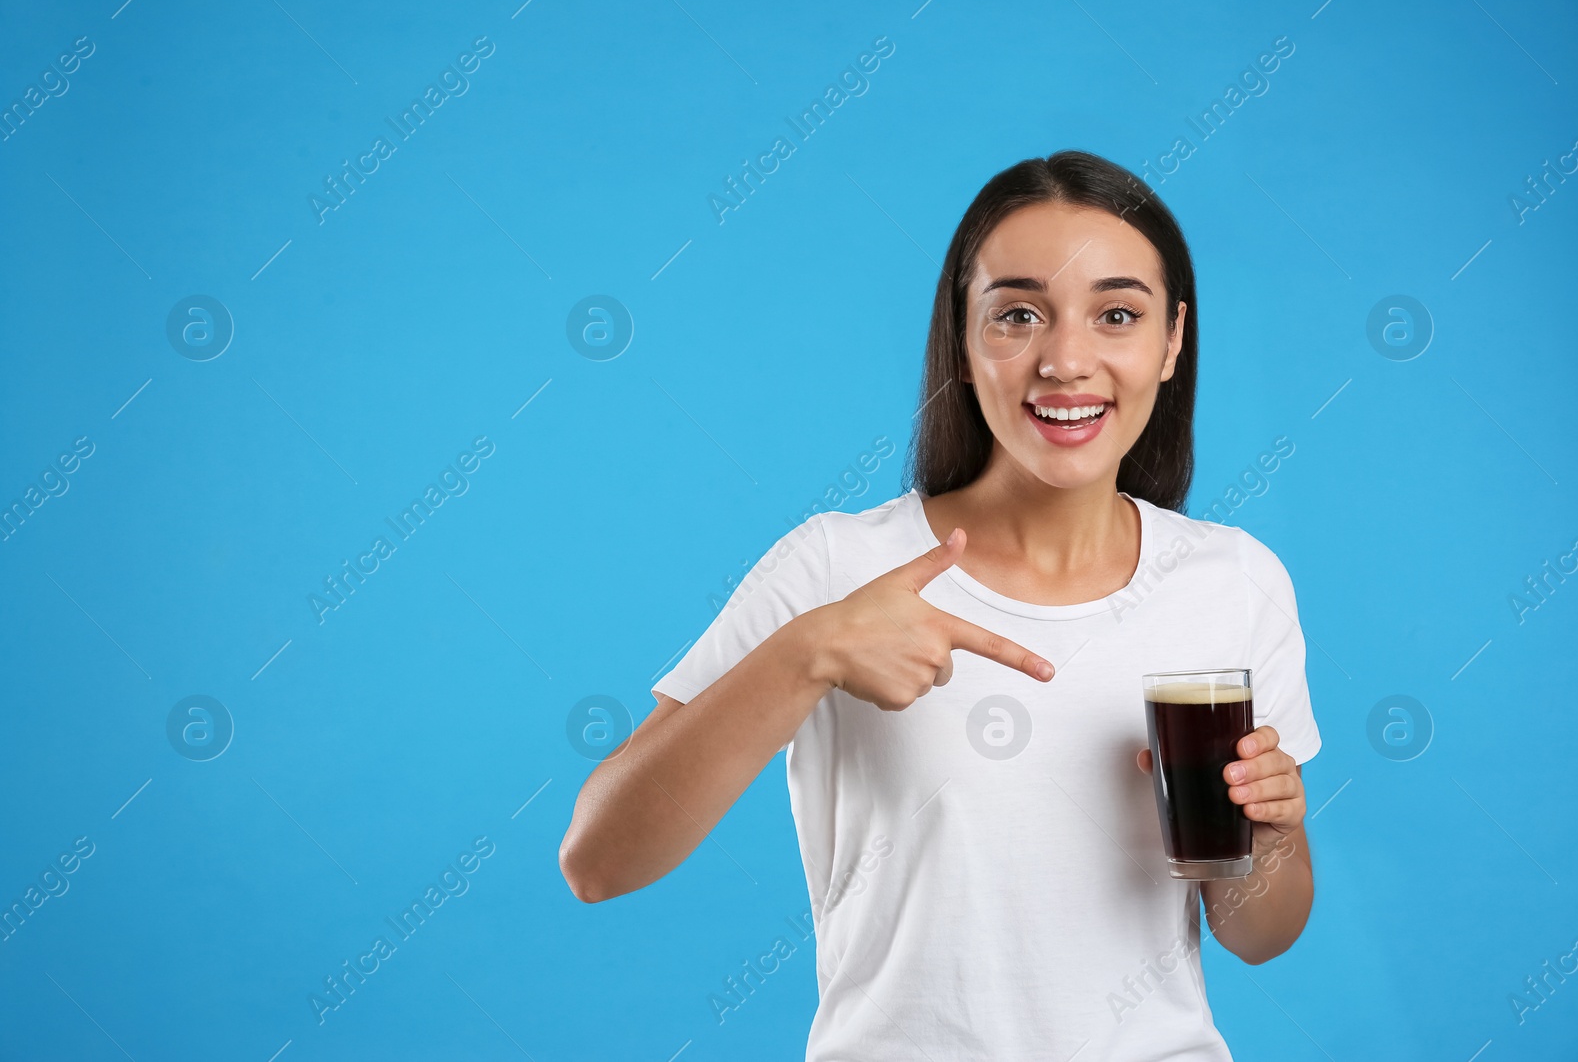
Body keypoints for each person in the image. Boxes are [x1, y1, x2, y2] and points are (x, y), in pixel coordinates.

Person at [559, 149, 1321, 1060]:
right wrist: (810, 652)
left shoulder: (1232, 580)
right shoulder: (841, 564)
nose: (1067, 359)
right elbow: (598, 859)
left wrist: (1270, 832)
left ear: (1171, 342)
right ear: (964, 340)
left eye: (1117, 313)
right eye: (1018, 315)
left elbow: (1259, 934)